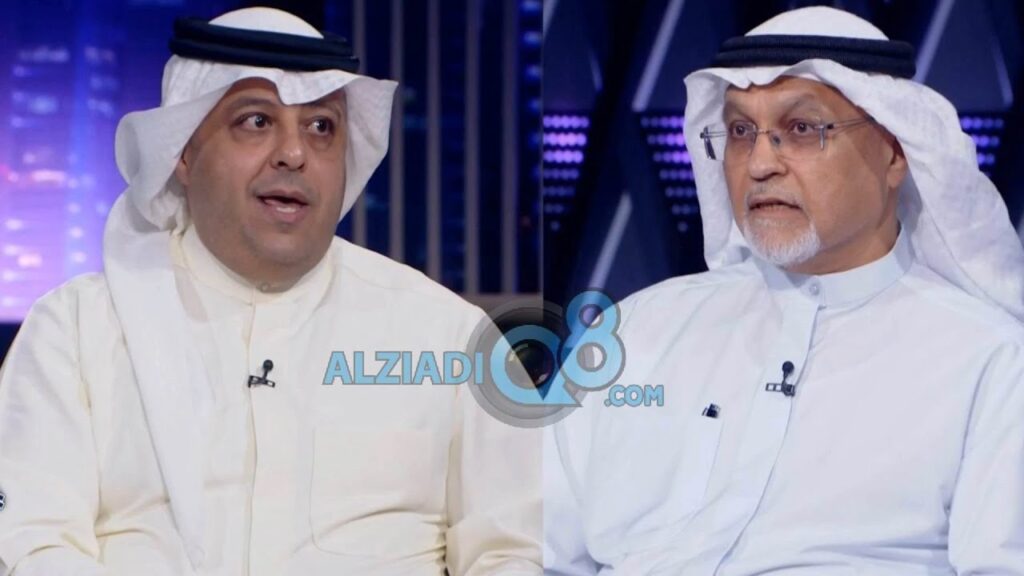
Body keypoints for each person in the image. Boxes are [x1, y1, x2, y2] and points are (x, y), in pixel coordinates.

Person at [0, 8, 540, 575]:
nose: (294, 153)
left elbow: (517, 550)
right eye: (256, 121)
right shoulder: (75, 332)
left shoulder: (450, 337)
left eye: (321, 127)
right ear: (184, 153)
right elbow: (32, 544)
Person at [544, 6, 1024, 575]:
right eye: (740, 132)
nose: (760, 163)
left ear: (895, 152)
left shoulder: (989, 361)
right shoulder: (637, 330)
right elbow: (525, 547)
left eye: (801, 129)